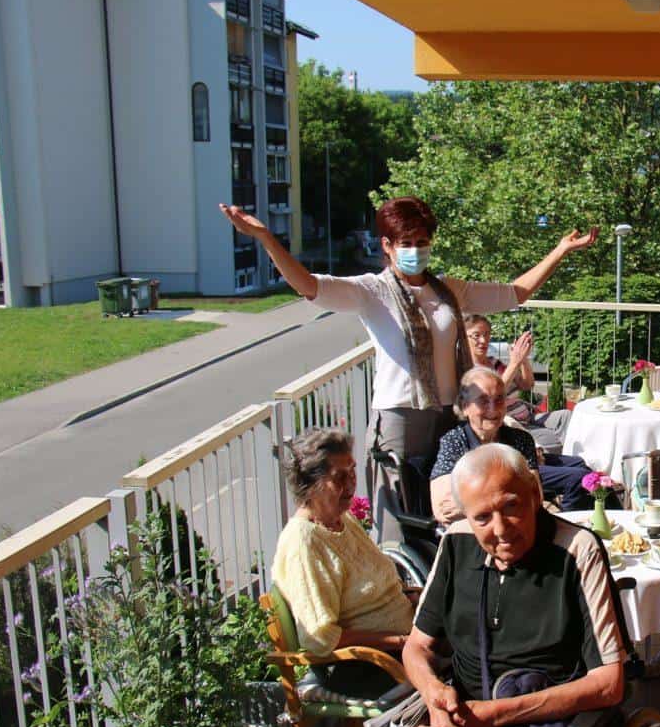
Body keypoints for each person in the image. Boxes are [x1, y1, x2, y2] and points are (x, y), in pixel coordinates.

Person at [219, 196, 597, 539]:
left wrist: (561, 249)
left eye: (421, 241)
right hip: (400, 419)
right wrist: (266, 237)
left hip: (449, 417)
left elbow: (516, 293)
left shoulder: (448, 290)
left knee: (456, 508)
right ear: (387, 246)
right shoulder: (372, 291)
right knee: (400, 515)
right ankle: (401, 592)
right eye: (406, 243)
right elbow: (309, 286)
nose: (415, 250)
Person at [370, 444, 626, 727]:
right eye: (482, 518)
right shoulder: (456, 545)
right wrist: (434, 695)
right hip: (462, 726)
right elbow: (417, 647)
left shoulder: (576, 550)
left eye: (511, 508)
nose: (500, 529)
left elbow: (610, 682)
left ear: (534, 492)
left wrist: (494, 715)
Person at [271, 429, 413, 699]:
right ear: (311, 485)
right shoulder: (304, 542)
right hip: (360, 666)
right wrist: (402, 642)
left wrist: (413, 598)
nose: (351, 484)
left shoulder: (343, 520)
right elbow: (322, 638)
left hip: (398, 646)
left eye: (353, 471)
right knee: (467, 656)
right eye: (339, 477)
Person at [428, 368, 595, 523]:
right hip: (470, 531)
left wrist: (472, 502)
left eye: (499, 399)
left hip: (517, 527)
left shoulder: (520, 440)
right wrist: (511, 497)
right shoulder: (454, 442)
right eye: (483, 401)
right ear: (465, 407)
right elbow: (443, 510)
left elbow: (534, 498)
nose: (493, 409)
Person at [463, 313, 572, 453]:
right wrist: (514, 362)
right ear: (465, 338)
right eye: (476, 335)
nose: (484, 340)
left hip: (527, 415)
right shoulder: (468, 369)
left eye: (487, 334)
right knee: (550, 440)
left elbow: (527, 384)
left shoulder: (493, 362)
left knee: (566, 416)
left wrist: (523, 360)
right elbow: (493, 393)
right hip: (510, 423)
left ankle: (577, 462)